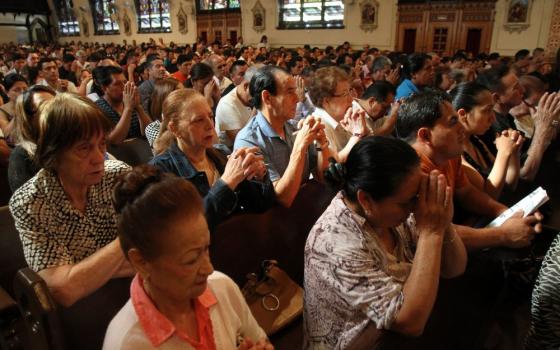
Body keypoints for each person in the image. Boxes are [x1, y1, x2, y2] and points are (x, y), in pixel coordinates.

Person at [304, 136, 467, 349]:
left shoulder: (394, 207)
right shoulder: (333, 242)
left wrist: (444, 222)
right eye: (407, 201)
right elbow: (410, 322)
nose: (414, 207)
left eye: (416, 197)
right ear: (365, 200)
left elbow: (455, 268)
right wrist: (432, 232)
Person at [103, 165, 273, 350]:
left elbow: (260, 340)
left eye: (206, 249)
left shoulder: (222, 288)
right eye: (191, 260)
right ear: (141, 261)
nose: (208, 269)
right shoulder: (127, 343)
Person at [9, 93, 133, 307]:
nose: (98, 157)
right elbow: (62, 291)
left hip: (131, 296)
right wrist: (129, 241)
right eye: (84, 148)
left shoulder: (118, 176)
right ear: (54, 153)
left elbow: (155, 253)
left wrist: (82, 273)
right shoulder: (30, 203)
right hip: (78, 318)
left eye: (102, 144)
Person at [396, 90, 542, 250]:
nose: (462, 128)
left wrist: (507, 213)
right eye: (453, 122)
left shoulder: (449, 155)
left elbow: (466, 192)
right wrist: (503, 234)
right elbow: (436, 233)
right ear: (425, 136)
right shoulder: (411, 173)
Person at [150, 89, 275, 230]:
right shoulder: (161, 170)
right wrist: (227, 183)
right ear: (175, 128)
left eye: (210, 116)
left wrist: (259, 177)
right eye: (198, 120)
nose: (210, 125)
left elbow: (262, 206)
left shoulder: (221, 154)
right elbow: (186, 229)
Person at [234, 65, 332, 208]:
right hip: (273, 222)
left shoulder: (292, 126)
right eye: (290, 92)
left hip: (302, 210)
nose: (297, 99)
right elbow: (282, 198)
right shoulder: (249, 140)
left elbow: (323, 177)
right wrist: (300, 146)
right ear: (267, 97)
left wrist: (321, 143)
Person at [450, 82, 522, 200]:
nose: (493, 118)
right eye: (487, 110)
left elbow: (508, 185)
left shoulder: (475, 140)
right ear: (463, 114)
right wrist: (503, 153)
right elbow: (489, 196)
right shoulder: (454, 154)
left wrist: (514, 151)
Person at [307, 65, 369, 162]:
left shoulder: (345, 112)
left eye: (350, 91)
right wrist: (357, 135)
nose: (351, 99)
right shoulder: (317, 125)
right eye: (345, 94)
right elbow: (330, 165)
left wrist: (365, 132)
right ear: (326, 101)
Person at [8, 85, 56, 192]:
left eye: (57, 104)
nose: (55, 110)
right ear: (28, 118)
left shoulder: (68, 144)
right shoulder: (21, 155)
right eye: (45, 107)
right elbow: (24, 205)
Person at [94, 66, 152, 144]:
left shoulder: (129, 101)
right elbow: (114, 141)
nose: (124, 87)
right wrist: (128, 108)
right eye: (117, 84)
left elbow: (150, 133)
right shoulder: (98, 109)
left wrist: (138, 107)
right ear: (104, 88)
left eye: (125, 82)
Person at [214, 66, 256, 148]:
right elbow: (242, 142)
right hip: (230, 152)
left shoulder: (250, 97)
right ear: (246, 86)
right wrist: (258, 107)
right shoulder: (227, 104)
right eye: (256, 95)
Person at [145, 78, 183, 148]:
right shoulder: (153, 127)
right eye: (179, 94)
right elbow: (166, 149)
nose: (185, 97)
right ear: (165, 98)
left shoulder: (188, 118)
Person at [0, 73, 28, 141]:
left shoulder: (34, 105)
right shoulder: (2, 110)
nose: (22, 92)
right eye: (17, 90)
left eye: (25, 89)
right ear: (7, 92)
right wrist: (19, 111)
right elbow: (7, 134)